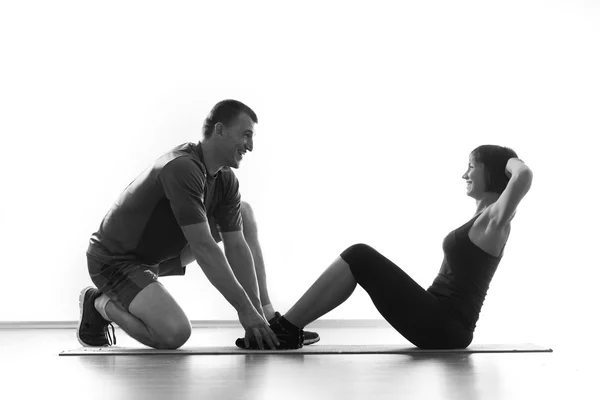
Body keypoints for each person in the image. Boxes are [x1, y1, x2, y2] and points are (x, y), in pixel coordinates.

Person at [77, 99, 319, 350]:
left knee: (243, 213)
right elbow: (203, 247)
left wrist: (255, 315)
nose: (250, 146)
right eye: (246, 135)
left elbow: (236, 246)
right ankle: (98, 304)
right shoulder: (182, 167)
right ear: (220, 130)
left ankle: (268, 316)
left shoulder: (225, 179)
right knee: (174, 334)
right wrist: (243, 310)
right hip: (115, 261)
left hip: (158, 258)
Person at [238, 145, 533, 350]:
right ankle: (289, 328)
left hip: (446, 325)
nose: (464, 174)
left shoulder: (496, 218)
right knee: (360, 257)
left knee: (360, 254)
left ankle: (285, 330)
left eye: (471, 166)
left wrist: (506, 160)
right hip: (438, 317)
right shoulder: (483, 217)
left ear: (492, 172)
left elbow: (523, 175)